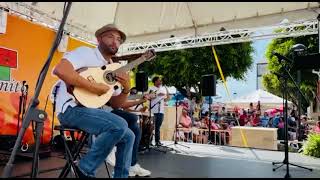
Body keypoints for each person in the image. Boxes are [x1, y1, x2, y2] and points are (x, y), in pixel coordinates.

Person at [52, 24, 135, 178]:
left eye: (118, 39)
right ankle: (85, 169)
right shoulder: (85, 53)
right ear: (99, 39)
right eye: (110, 36)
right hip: (70, 109)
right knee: (119, 125)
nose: (115, 42)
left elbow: (116, 104)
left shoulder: (113, 69)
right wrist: (94, 87)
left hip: (92, 112)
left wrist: (126, 88)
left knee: (129, 136)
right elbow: (61, 70)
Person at [149, 76, 170, 146]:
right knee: (151, 127)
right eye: (158, 80)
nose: (160, 82)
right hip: (153, 111)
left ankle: (157, 141)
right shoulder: (151, 88)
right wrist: (158, 94)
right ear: (155, 81)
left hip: (161, 111)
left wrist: (166, 89)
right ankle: (149, 141)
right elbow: (149, 97)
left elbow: (167, 99)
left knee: (158, 127)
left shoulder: (163, 89)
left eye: (160, 81)